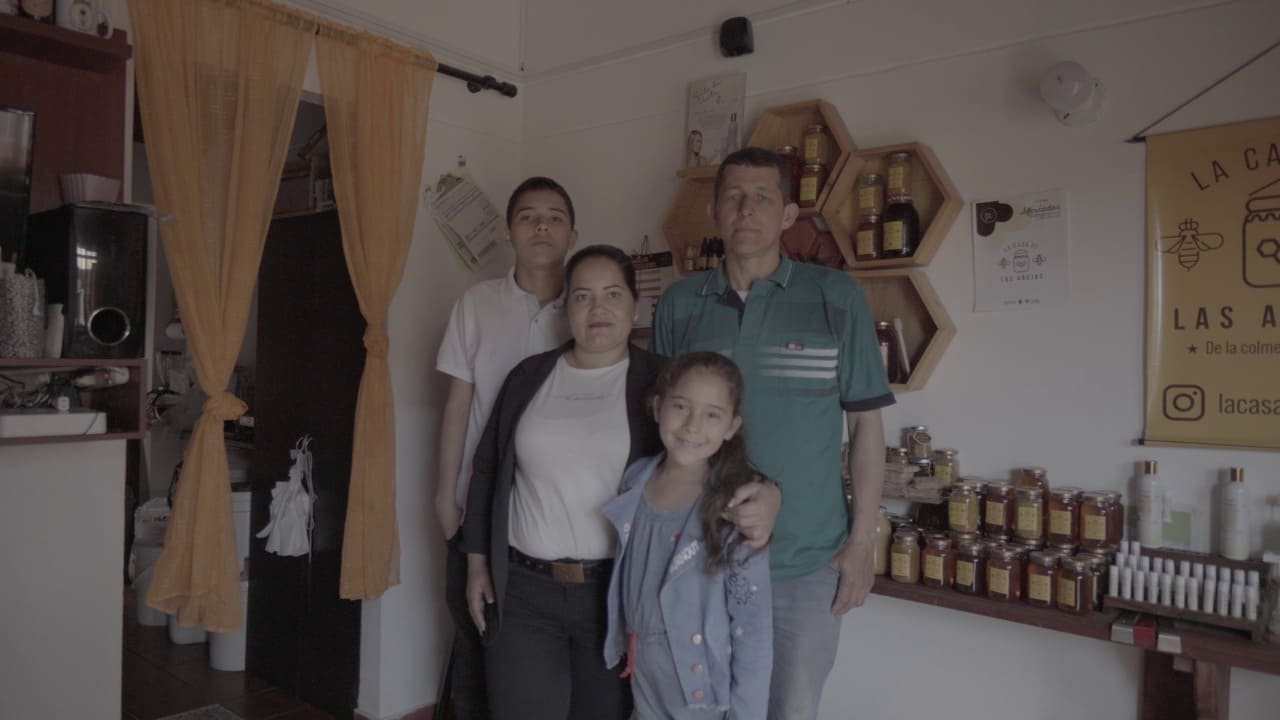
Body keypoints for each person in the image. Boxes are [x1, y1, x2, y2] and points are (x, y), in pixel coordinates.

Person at [461, 245, 781, 720]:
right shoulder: (528, 377)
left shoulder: (662, 382)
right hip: (524, 589)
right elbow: (488, 467)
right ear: (565, 308)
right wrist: (476, 561)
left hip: (613, 597)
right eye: (582, 296)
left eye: (613, 294)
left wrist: (769, 492)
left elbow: (709, 451)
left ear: (635, 307)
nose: (598, 308)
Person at [650, 147, 895, 720]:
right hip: (699, 554)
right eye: (734, 196)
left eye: (763, 197)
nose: (746, 209)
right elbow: (659, 429)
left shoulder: (835, 296)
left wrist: (862, 543)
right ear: (714, 211)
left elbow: (865, 424)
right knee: (695, 709)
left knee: (791, 709)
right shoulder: (680, 304)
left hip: (803, 562)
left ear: (788, 214)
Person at [435, 176, 578, 719]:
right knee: (475, 630)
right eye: (528, 216)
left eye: (555, 217)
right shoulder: (477, 304)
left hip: (552, 511)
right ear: (507, 232)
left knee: (531, 648)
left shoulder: (585, 308)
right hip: (479, 502)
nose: (542, 226)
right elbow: (457, 405)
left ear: (572, 234)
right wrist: (444, 498)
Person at [602, 351, 772, 720]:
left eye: (712, 415)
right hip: (643, 678)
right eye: (681, 406)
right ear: (658, 407)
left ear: (731, 427)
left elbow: (754, 633)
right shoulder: (635, 481)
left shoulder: (737, 508)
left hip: (700, 693)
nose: (692, 426)